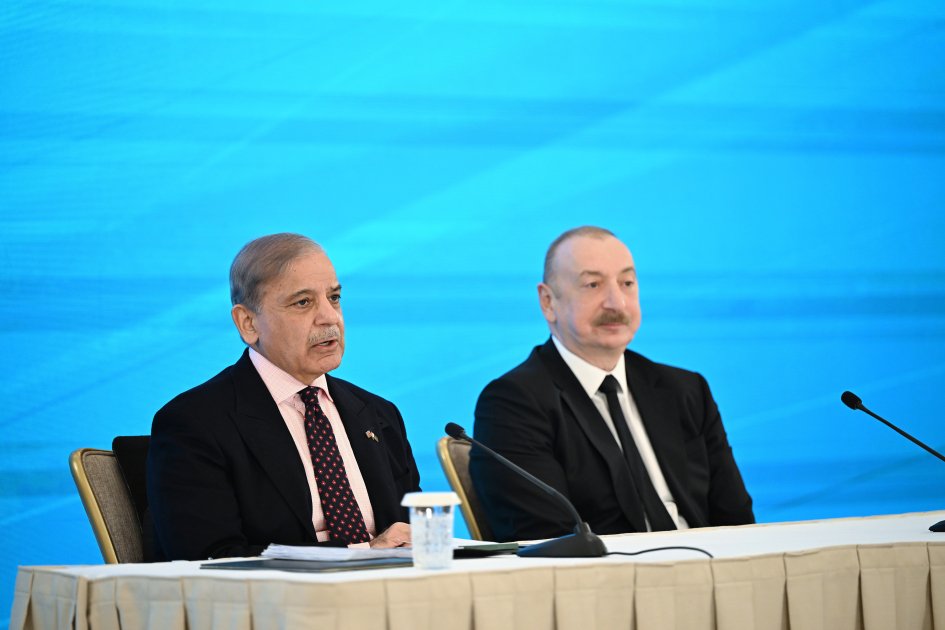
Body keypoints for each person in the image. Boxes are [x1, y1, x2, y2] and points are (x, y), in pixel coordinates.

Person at [470, 226, 753, 542]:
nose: (616, 303)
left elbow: (738, 522)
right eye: (593, 284)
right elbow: (548, 541)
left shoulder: (685, 390)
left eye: (627, 283)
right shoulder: (514, 403)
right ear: (548, 302)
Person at [148, 233, 420, 560]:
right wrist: (361, 554)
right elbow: (210, 557)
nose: (330, 317)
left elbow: (412, 532)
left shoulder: (378, 414)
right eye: (303, 302)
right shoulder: (195, 423)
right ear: (248, 323)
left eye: (334, 298)